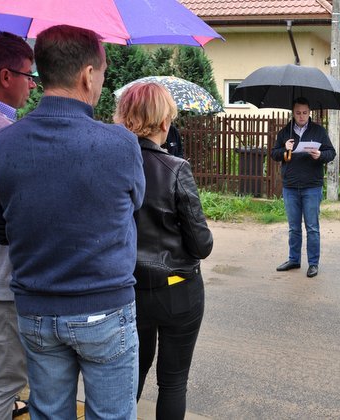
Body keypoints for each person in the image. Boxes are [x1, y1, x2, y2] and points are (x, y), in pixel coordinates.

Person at [0, 25, 145, 419]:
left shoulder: (2, 144)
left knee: (48, 413)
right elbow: (133, 206)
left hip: (35, 311)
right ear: (88, 75)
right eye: (103, 73)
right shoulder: (121, 144)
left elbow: (0, 229)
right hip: (105, 308)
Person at [113, 82, 213, 419]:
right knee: (172, 383)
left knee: (131, 378)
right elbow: (202, 245)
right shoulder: (175, 168)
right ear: (164, 123)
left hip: (128, 289)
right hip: (177, 290)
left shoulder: (111, 166)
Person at [0, 31, 36, 420]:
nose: (33, 83)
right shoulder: (2, 134)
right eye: (28, 74)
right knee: (2, 382)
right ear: (6, 77)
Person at [271, 97, 336, 278]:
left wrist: (320, 155)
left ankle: (313, 263)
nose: (301, 116)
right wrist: (285, 150)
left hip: (312, 186)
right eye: (298, 113)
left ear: (310, 113)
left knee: (312, 227)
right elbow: (274, 154)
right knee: (293, 227)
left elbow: (331, 153)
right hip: (290, 185)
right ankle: (294, 259)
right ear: (293, 113)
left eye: (305, 113)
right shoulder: (285, 132)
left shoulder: (318, 131)